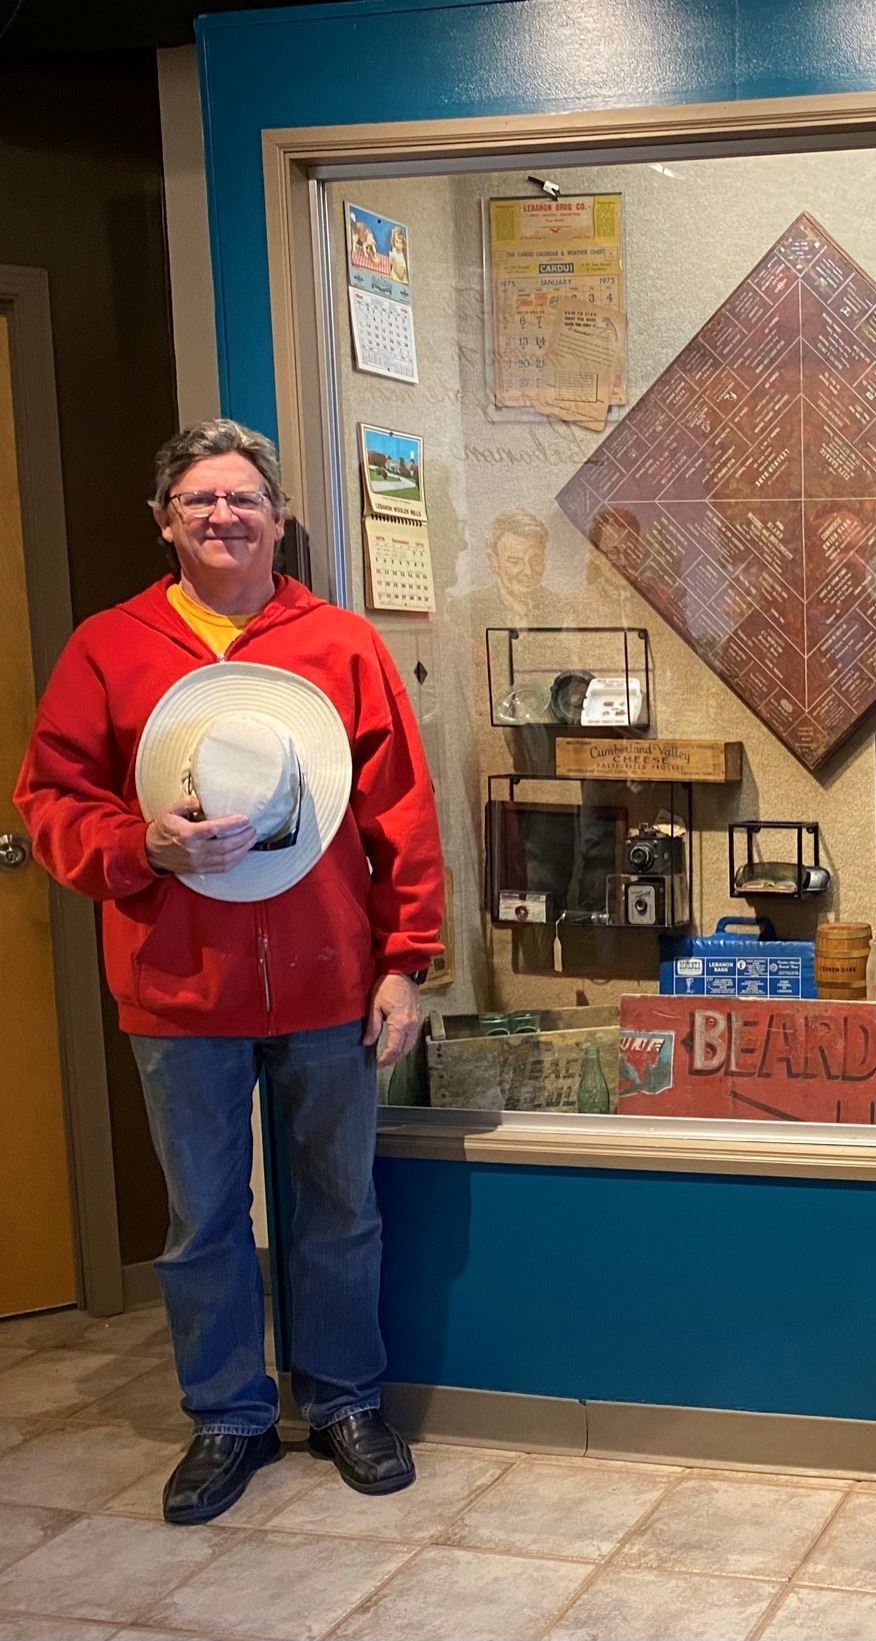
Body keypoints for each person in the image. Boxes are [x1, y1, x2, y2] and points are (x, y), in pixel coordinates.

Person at [14, 419, 444, 1525]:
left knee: (340, 1207)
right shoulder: (107, 649)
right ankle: (226, 1416)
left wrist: (405, 962)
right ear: (165, 521)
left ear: (278, 517)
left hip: (328, 980)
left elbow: (401, 816)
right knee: (203, 1218)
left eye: (243, 498)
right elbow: (50, 796)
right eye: (199, 499)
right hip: (176, 987)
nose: (222, 516)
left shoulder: (342, 644)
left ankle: (347, 1400)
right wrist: (138, 848)